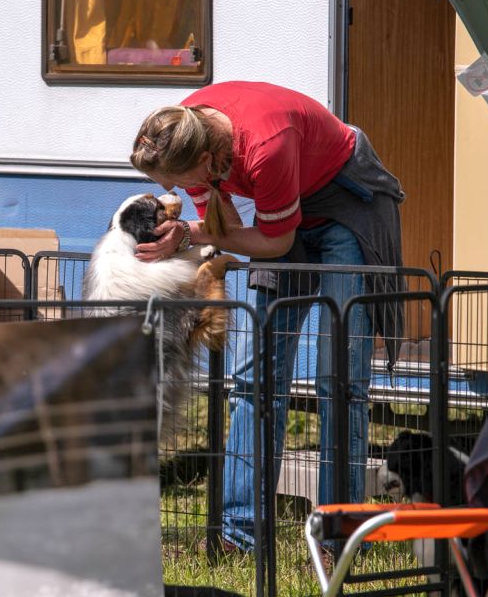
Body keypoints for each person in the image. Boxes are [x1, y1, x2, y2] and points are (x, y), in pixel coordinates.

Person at [130, 80, 405, 553]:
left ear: (205, 159)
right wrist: (194, 234)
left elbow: (274, 243)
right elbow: (230, 228)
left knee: (338, 380)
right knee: (254, 381)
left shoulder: (266, 144)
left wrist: (190, 237)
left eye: (177, 180)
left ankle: (340, 538)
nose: (173, 191)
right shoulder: (187, 125)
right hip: (283, 216)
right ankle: (240, 534)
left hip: (347, 208)